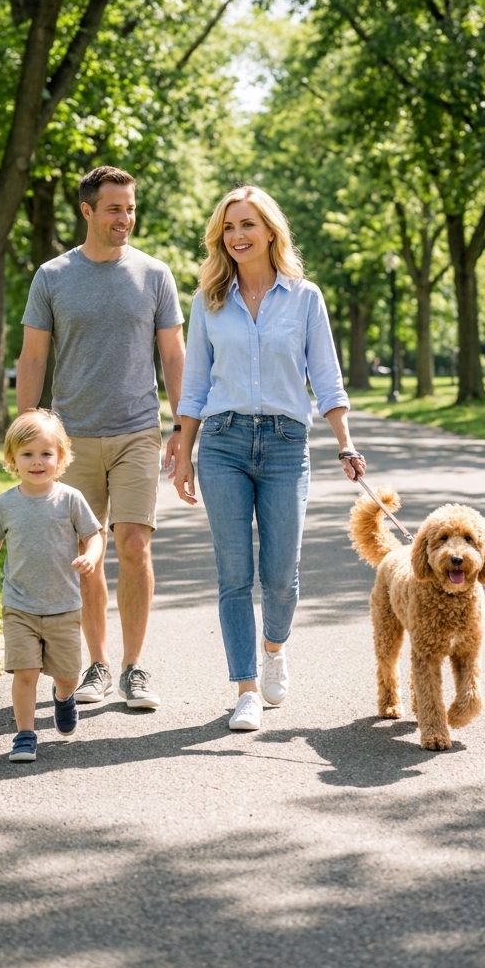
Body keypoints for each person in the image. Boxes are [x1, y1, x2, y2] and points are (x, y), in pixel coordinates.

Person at [172, 185, 366, 732]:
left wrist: (344, 441)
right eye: (229, 227)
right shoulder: (208, 300)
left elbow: (326, 377)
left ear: (270, 232)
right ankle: (246, 689)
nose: (237, 236)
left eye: (248, 225)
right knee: (234, 574)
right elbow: (194, 385)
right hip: (224, 443)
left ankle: (274, 648)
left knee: (280, 576)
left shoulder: (306, 298)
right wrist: (183, 452)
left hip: (285, 445)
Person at [16, 166, 185, 711]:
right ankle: (98, 665)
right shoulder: (53, 276)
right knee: (85, 555)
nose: (126, 218)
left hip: (138, 429)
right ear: (87, 210)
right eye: (115, 208)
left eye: (131, 208)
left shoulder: (155, 274)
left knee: (133, 544)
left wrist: (183, 426)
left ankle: (135, 668)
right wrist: (29, 432)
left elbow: (174, 354)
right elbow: (34, 356)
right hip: (72, 436)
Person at [0, 410, 103, 762]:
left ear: (62, 457)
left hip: (64, 606)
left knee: (68, 675)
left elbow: (94, 535)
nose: (37, 462)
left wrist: (92, 557)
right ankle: (25, 734)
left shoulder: (70, 499)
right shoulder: (6, 504)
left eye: (45, 454)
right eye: (27, 454)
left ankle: (63, 697)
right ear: (12, 459)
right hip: (19, 605)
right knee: (25, 673)